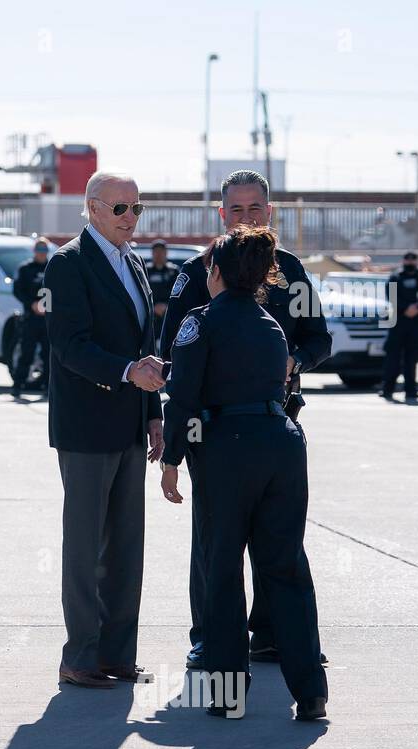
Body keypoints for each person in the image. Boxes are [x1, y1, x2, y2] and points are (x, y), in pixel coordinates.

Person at [160, 169, 331, 669]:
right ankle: (208, 637)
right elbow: (173, 352)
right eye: (235, 210)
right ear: (221, 214)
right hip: (210, 430)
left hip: (276, 423)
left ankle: (275, 633)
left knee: (280, 538)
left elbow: (321, 340)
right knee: (215, 542)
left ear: (270, 213)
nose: (245, 219)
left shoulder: (292, 272)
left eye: (254, 209)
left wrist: (293, 361)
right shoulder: (197, 273)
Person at [44, 170, 163, 689]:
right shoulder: (68, 263)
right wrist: (125, 372)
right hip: (88, 424)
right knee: (86, 544)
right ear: (92, 208)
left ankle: (117, 654)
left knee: (125, 546)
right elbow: (69, 345)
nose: (131, 219)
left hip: (131, 422)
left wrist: (154, 410)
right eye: (121, 209)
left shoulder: (133, 262)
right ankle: (81, 655)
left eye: (137, 208)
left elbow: (145, 348)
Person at [381, 252, 418, 403]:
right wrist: (405, 308)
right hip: (398, 323)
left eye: (413, 259)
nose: (410, 262)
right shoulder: (396, 277)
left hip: (416, 324)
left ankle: (411, 391)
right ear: (403, 260)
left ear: (417, 261)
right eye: (408, 259)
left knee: (411, 358)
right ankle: (387, 389)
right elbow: (391, 295)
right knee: (393, 358)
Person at [11, 238, 51, 398]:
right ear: (34, 251)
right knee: (26, 352)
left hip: (48, 319)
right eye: (39, 250)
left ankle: (48, 386)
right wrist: (31, 304)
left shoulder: (53, 266)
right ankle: (18, 385)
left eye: (44, 251)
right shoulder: (25, 268)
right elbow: (18, 290)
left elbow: (59, 289)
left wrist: (46, 305)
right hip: (30, 318)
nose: (41, 254)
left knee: (48, 354)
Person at [142, 239, 179, 343]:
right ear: (152, 253)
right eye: (156, 251)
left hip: (168, 315)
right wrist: (152, 307)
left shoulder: (173, 271)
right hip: (149, 315)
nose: (159, 254)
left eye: (161, 251)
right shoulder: (145, 270)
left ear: (166, 253)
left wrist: (167, 307)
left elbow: (179, 295)